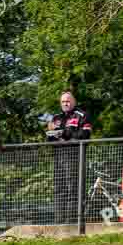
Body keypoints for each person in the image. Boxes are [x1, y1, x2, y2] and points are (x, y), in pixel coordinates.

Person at [47, 91, 92, 224]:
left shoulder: (82, 115)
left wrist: (65, 134)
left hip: (74, 155)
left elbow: (85, 135)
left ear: (74, 102)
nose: (65, 104)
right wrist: (51, 134)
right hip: (58, 156)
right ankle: (59, 222)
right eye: (63, 101)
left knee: (73, 188)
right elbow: (49, 138)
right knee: (59, 188)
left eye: (68, 101)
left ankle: (72, 222)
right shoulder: (56, 117)